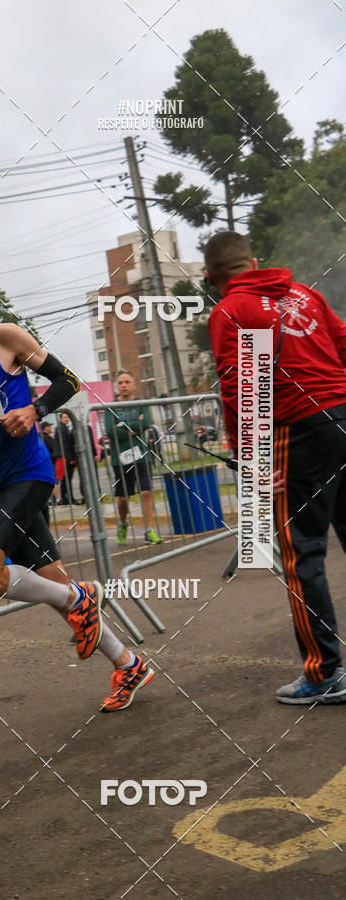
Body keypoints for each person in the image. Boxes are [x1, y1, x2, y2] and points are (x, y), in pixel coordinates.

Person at [0, 262, 154, 712]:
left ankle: (82, 598)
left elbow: (68, 382)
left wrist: (34, 412)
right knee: (54, 584)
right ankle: (127, 662)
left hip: (30, 473)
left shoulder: (4, 337)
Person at [206, 230, 346, 704]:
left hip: (300, 429)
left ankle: (325, 673)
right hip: (343, 415)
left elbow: (242, 387)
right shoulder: (306, 293)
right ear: (255, 260)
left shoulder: (233, 310)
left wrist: (251, 460)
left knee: (301, 553)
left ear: (212, 277)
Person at [103, 370, 162, 546]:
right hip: (119, 459)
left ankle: (149, 530)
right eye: (120, 382)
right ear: (117, 386)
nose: (124, 385)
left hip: (141, 456)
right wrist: (132, 427)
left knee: (146, 492)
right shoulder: (111, 407)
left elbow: (145, 424)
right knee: (123, 497)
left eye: (127, 382)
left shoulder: (140, 403)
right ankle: (122, 524)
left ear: (134, 385)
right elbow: (111, 431)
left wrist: (122, 426)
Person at [55, 413, 78, 505]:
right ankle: (67, 499)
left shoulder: (63, 427)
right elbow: (64, 445)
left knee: (66, 480)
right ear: (60, 419)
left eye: (67, 417)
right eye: (64, 417)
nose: (67, 419)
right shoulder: (61, 428)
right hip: (65, 458)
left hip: (65, 457)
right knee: (66, 480)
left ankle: (67, 498)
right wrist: (71, 458)